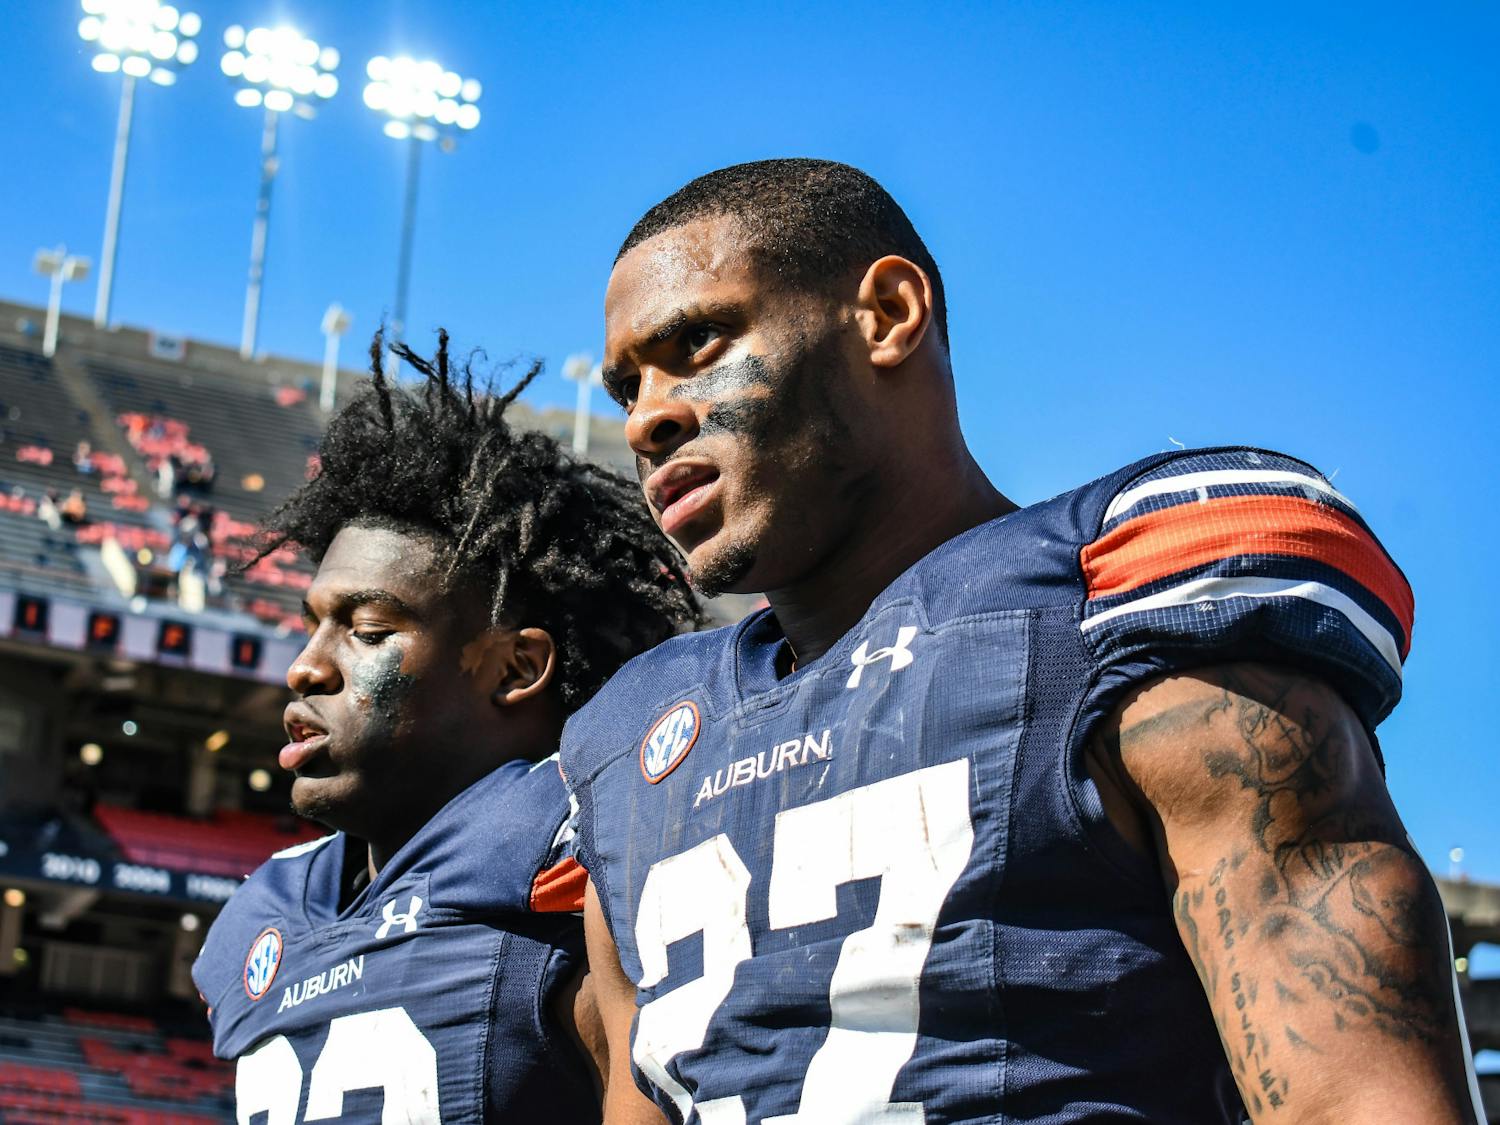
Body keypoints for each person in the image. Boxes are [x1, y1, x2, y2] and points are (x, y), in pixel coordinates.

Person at [561, 159, 1484, 1124]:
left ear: (885, 313)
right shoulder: (630, 741)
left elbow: (1352, 1094)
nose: (647, 417)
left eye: (700, 342)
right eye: (628, 386)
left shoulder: (1112, 596)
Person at [193, 332, 700, 1122]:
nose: (306, 667)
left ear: (512, 667)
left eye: (367, 628)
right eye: (314, 624)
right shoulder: (263, 916)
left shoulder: (585, 862)